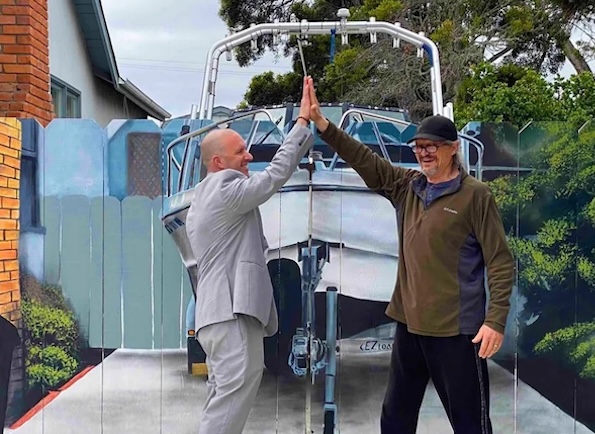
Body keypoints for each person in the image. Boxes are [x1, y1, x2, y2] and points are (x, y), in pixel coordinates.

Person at [307, 78, 514, 434]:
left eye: (431, 146)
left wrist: (494, 321)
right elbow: (365, 160)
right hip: (409, 326)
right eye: (418, 147)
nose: (423, 152)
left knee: (471, 424)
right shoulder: (408, 186)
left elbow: (500, 261)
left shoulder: (475, 195)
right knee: (396, 419)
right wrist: (323, 125)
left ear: (452, 149)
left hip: (457, 331)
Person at [186, 77, 315, 434]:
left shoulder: (203, 197)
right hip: (231, 314)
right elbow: (273, 177)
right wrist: (302, 124)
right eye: (241, 151)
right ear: (217, 162)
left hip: (218, 316)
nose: (249, 157)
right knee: (231, 396)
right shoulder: (224, 187)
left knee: (223, 398)